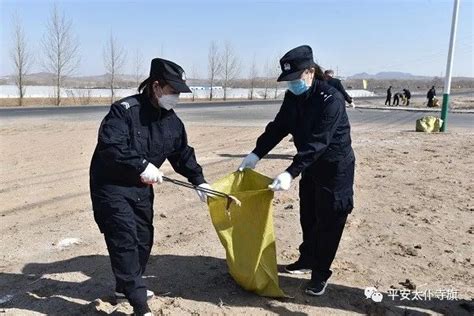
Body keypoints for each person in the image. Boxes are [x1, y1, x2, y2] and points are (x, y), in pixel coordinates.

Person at [89, 58, 212, 316]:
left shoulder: (171, 121)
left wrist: (198, 180)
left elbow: (181, 153)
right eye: (173, 91)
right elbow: (111, 147)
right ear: (156, 87)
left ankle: (126, 287)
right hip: (111, 185)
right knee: (124, 239)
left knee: (144, 239)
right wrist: (142, 165)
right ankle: (139, 304)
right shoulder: (123, 112)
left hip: (141, 188)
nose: (176, 97)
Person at [238, 45, 355, 297]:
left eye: (295, 78)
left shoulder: (331, 100)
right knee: (309, 215)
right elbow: (278, 127)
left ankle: (320, 273)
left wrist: (291, 172)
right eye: (288, 80)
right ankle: (307, 259)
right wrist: (256, 153)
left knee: (329, 220)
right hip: (311, 167)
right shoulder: (293, 97)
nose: (292, 84)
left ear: (310, 72)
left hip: (335, 169)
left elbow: (318, 143)